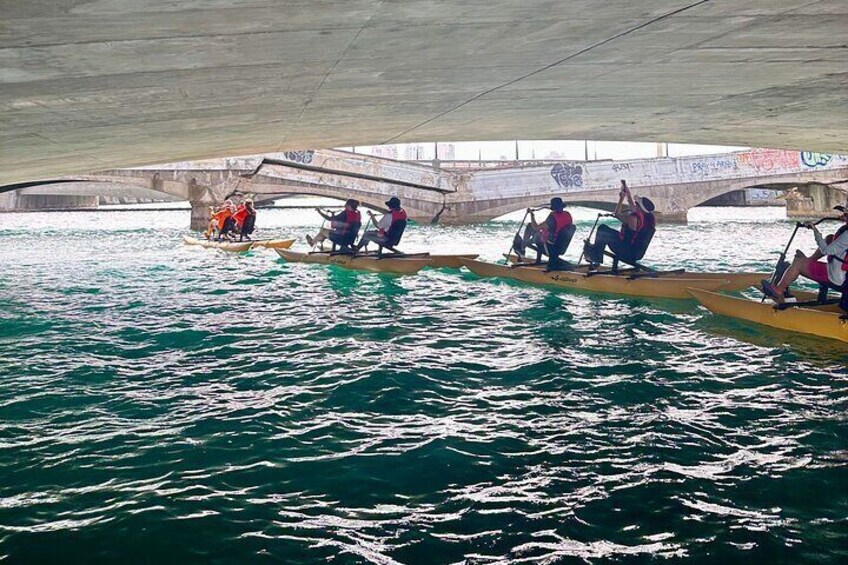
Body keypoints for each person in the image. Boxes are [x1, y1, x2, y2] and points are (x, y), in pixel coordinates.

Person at [762, 205, 848, 304]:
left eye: (845, 214)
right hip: (843, 274)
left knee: (798, 263)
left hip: (838, 277)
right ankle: (809, 262)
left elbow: (825, 250)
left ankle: (778, 291)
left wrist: (814, 230)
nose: (842, 216)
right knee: (830, 238)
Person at [584, 180, 656, 267]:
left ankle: (596, 258)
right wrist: (627, 192)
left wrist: (621, 199)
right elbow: (631, 203)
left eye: (637, 204)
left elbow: (617, 214)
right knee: (607, 232)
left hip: (626, 251)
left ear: (639, 208)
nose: (635, 205)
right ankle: (596, 252)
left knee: (602, 229)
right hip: (636, 252)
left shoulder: (633, 218)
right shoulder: (649, 218)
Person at [514, 197, 575, 270]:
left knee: (530, 226)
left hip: (549, 247)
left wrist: (532, 216)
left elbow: (535, 227)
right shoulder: (568, 215)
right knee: (537, 234)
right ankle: (534, 257)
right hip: (561, 246)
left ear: (553, 208)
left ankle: (522, 248)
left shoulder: (552, 219)